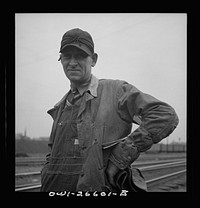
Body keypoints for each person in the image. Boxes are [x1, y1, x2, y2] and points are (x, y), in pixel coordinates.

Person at [40, 28, 179, 192]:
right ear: (61, 59)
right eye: (67, 56)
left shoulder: (116, 92)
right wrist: (46, 173)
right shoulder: (60, 107)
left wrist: (120, 157)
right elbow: (51, 153)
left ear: (93, 60)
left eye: (80, 56)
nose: (72, 62)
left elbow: (165, 115)